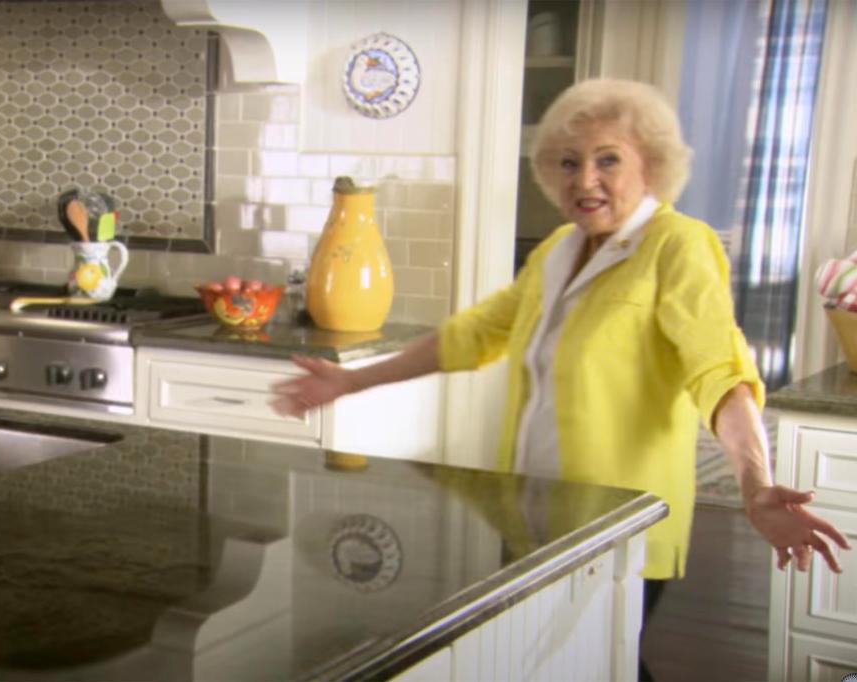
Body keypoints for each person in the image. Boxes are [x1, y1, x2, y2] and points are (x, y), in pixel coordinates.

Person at [272, 78, 849, 677]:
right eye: (569, 163)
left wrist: (756, 485)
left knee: (590, 661)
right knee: (572, 663)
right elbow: (472, 335)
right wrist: (352, 382)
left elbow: (719, 371)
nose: (585, 180)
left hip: (615, 522)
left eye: (608, 160)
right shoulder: (557, 250)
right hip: (530, 515)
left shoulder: (678, 246)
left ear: (650, 166)